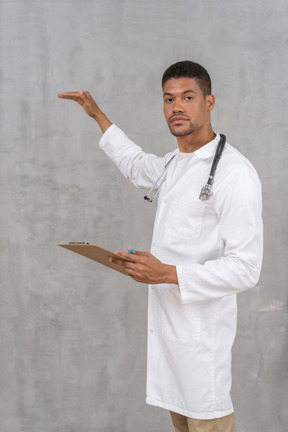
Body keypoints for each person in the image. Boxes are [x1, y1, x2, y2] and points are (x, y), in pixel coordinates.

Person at [58, 60, 263, 432]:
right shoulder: (174, 163)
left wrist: (166, 273)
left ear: (209, 101)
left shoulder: (235, 174)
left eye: (188, 97)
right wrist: (96, 114)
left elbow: (247, 268)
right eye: (169, 99)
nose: (177, 107)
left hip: (202, 348)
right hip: (173, 347)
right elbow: (136, 165)